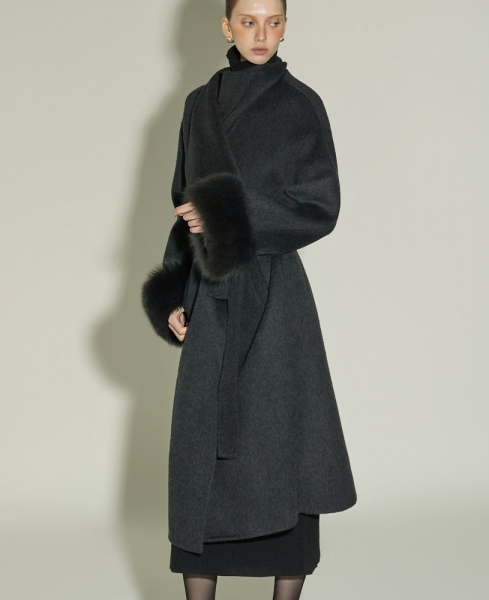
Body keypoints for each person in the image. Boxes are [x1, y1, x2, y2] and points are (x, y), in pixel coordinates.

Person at [141, 0, 357, 598]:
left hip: (275, 303)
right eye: (248, 21)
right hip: (210, 295)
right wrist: (172, 290)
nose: (261, 34)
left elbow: (320, 207)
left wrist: (227, 214)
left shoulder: (302, 105)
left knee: (282, 450)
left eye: (274, 22)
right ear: (227, 26)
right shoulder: (198, 106)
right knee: (202, 463)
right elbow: (186, 206)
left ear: (285, 27)